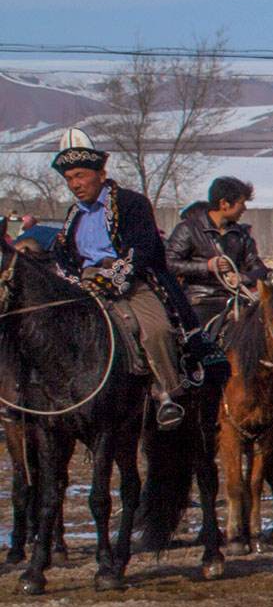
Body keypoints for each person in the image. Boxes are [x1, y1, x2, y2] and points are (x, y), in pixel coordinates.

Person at [46, 134, 200, 425]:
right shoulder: (72, 215)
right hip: (85, 284)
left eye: (80, 175)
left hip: (131, 281)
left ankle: (168, 391)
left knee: (156, 330)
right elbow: (64, 256)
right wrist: (72, 281)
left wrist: (111, 279)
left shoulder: (131, 203)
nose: (75, 184)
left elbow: (142, 248)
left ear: (101, 174)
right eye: (69, 179)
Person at [164, 175, 261, 324]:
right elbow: (169, 263)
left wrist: (242, 278)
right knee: (199, 340)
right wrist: (207, 267)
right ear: (224, 204)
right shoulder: (188, 229)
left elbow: (259, 268)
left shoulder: (241, 234)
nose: (245, 208)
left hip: (236, 300)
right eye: (241, 203)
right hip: (200, 301)